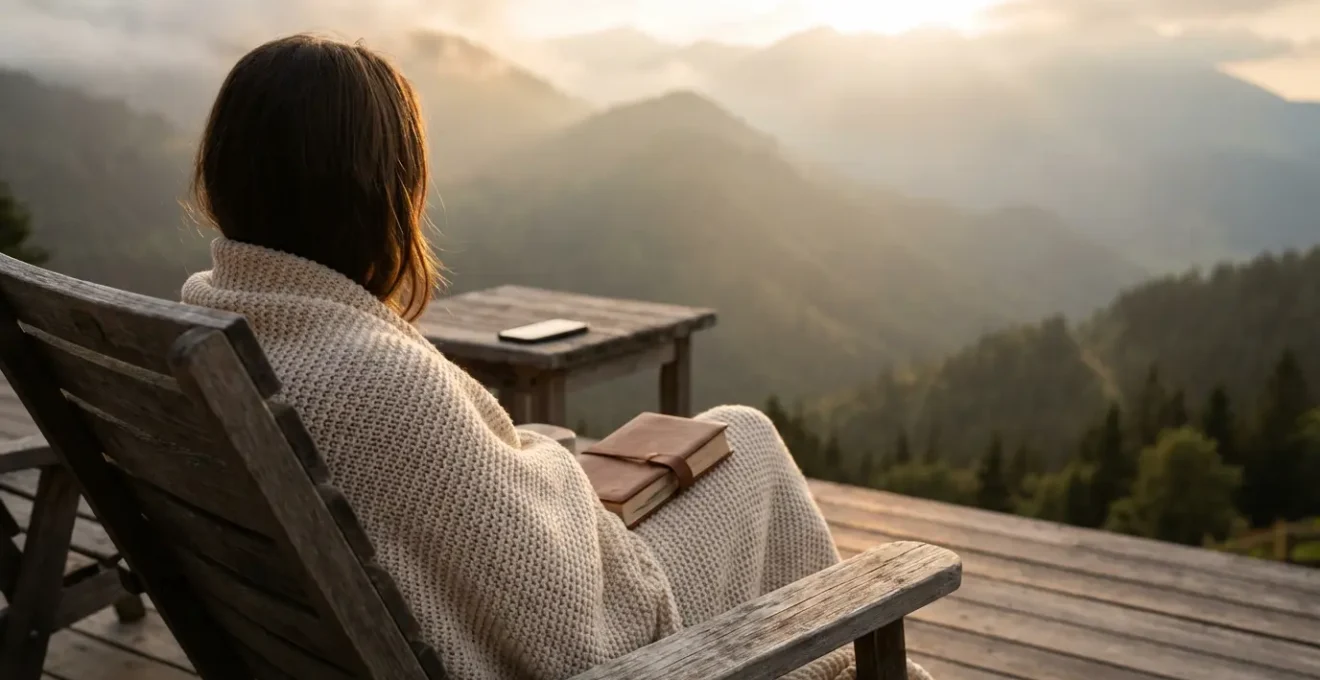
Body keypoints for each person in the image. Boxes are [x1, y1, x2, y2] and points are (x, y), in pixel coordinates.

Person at [181, 33, 931, 680]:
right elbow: (568, 628)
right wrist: (553, 471)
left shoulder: (205, 329)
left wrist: (526, 463)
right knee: (747, 438)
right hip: (614, 651)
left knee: (700, 444)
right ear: (375, 193)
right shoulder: (371, 379)